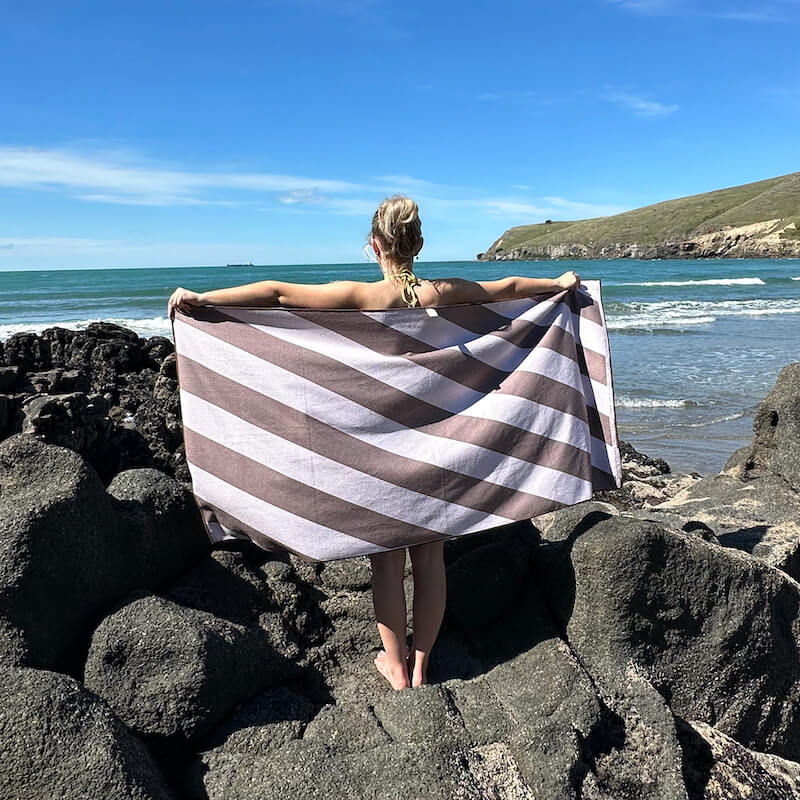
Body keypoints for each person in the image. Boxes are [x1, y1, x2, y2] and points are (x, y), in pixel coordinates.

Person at [168, 194, 581, 690]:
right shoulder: (442, 294)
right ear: (419, 243)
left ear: (375, 245)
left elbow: (277, 294)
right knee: (431, 560)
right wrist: (559, 284)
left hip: (379, 462)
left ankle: (397, 667)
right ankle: (425, 666)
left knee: (386, 562)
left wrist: (205, 298)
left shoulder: (361, 297)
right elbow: (509, 287)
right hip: (438, 453)